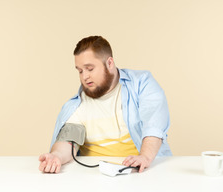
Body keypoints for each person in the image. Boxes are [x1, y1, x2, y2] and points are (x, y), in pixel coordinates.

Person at [39, 36, 172, 174]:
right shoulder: (76, 105)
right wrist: (56, 157)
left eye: (89, 69)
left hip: (143, 172)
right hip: (94, 177)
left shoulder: (142, 84)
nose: (84, 77)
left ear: (109, 63)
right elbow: (67, 143)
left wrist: (144, 157)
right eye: (80, 71)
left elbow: (154, 124)